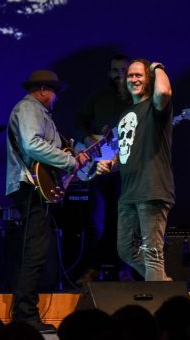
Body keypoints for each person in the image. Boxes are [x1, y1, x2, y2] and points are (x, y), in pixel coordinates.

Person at [6, 70, 90, 333]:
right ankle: (25, 315)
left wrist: (72, 165)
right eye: (54, 92)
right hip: (29, 187)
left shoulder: (39, 114)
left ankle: (25, 313)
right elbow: (32, 145)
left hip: (36, 187)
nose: (56, 98)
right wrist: (69, 161)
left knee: (37, 250)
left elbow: (48, 155)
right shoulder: (30, 109)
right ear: (43, 89)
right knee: (35, 252)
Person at [95, 59, 174, 281]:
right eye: (130, 76)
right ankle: (164, 286)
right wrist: (111, 163)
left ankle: (160, 304)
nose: (133, 79)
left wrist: (157, 68)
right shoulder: (126, 113)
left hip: (152, 188)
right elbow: (127, 148)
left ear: (148, 80)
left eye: (139, 75)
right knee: (126, 251)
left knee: (152, 253)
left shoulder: (156, 106)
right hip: (129, 192)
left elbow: (165, 92)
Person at [74, 54, 130, 281]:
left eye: (123, 71)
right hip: (98, 168)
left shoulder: (137, 101)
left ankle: (123, 269)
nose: (119, 75)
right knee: (95, 221)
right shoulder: (99, 97)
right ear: (109, 73)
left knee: (123, 220)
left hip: (124, 170)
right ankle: (93, 268)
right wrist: (87, 139)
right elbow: (79, 120)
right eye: (115, 71)